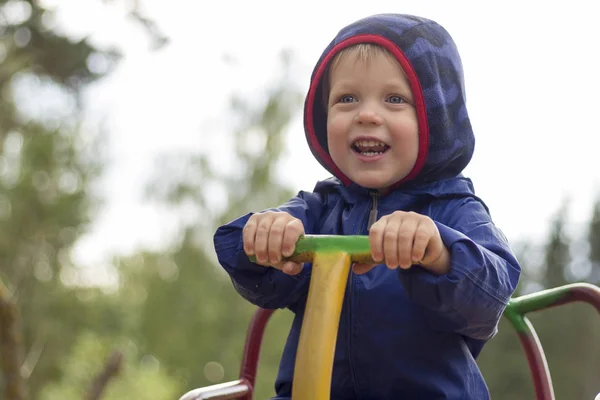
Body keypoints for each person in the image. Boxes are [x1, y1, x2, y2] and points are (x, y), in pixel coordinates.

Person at [214, 13, 521, 399]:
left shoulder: (453, 209)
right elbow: (253, 270)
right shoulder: (318, 208)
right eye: (347, 99)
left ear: (434, 118)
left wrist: (439, 251)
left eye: (395, 99)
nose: (367, 114)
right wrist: (263, 235)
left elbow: (490, 295)